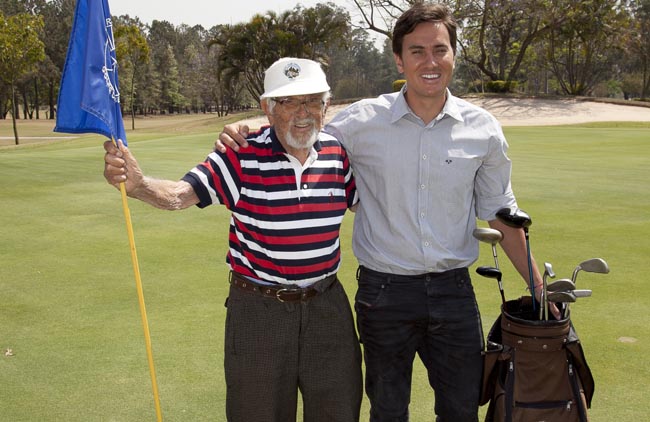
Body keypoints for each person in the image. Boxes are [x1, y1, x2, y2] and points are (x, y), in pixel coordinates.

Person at [216, 4, 553, 421]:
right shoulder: (359, 122)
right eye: (417, 51)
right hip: (384, 294)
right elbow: (297, 126)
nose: (430, 62)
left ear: (453, 54)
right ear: (398, 58)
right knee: (388, 410)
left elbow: (501, 213)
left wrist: (538, 289)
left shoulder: (483, 128)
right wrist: (247, 130)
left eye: (440, 49)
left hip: (453, 292)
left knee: (462, 407)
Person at [103, 57, 362, 422]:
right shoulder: (240, 154)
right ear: (268, 109)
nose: (302, 113)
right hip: (260, 312)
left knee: (338, 411)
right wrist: (140, 186)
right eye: (288, 102)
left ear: (326, 106)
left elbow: (363, 204)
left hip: (327, 307)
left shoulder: (338, 153)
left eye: (312, 101)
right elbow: (181, 194)